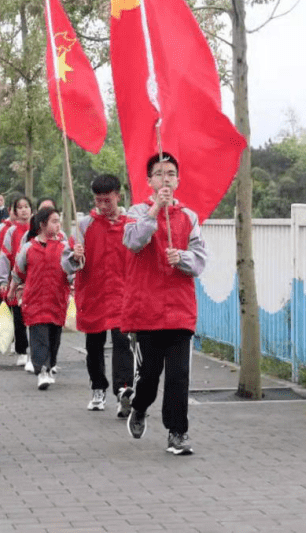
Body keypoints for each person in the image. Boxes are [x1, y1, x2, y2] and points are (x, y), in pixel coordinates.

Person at [121, 152, 207, 456]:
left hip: (180, 309)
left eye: (170, 173)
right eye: (159, 174)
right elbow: (133, 241)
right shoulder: (135, 211)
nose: (165, 179)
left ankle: (177, 432)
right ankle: (139, 406)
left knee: (179, 376)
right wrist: (156, 208)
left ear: (179, 179)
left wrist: (181, 258)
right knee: (149, 375)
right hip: (146, 309)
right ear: (149, 181)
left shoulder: (189, 217)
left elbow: (200, 261)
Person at [73, 174, 135, 416]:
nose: (102, 206)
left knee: (122, 343)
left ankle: (123, 391)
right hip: (94, 293)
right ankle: (97, 387)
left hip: (122, 294)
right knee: (94, 345)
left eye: (107, 201)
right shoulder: (84, 225)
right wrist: (75, 255)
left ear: (118, 196)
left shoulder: (131, 224)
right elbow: (68, 262)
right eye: (98, 201)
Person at [12, 207, 78, 391]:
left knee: (54, 337)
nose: (58, 225)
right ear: (42, 225)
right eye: (54, 221)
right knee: (39, 336)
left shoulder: (65, 248)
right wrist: (11, 290)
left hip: (57, 299)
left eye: (59, 221)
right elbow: (18, 272)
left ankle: (49, 366)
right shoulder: (28, 248)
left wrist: (75, 282)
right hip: (34, 299)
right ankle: (41, 371)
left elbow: (72, 271)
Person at [0, 196, 33, 371]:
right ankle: (21, 351)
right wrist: (2, 280)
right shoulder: (11, 232)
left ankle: (36, 353)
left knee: (34, 319)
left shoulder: (38, 228)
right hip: (16, 281)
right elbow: (4, 256)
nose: (24, 210)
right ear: (14, 212)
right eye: (20, 207)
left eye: (27, 207)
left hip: (35, 282)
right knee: (18, 317)